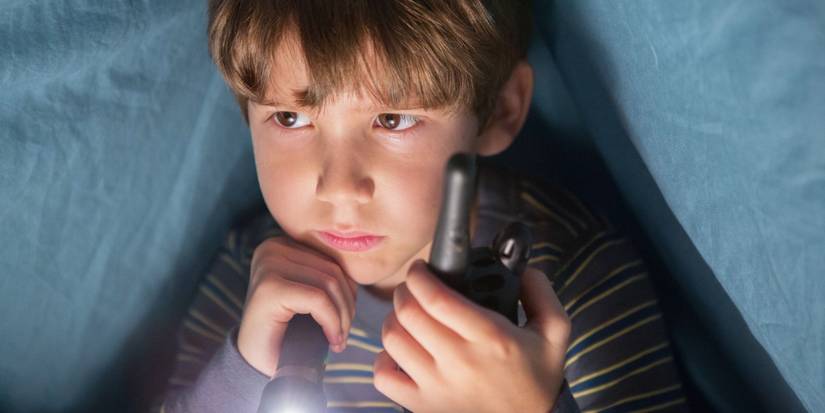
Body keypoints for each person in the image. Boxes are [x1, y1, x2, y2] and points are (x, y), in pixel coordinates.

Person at [155, 1, 689, 412]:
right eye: (290, 119)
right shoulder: (257, 276)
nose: (339, 188)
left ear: (500, 111)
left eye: (392, 119)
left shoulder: (574, 277)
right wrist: (243, 367)